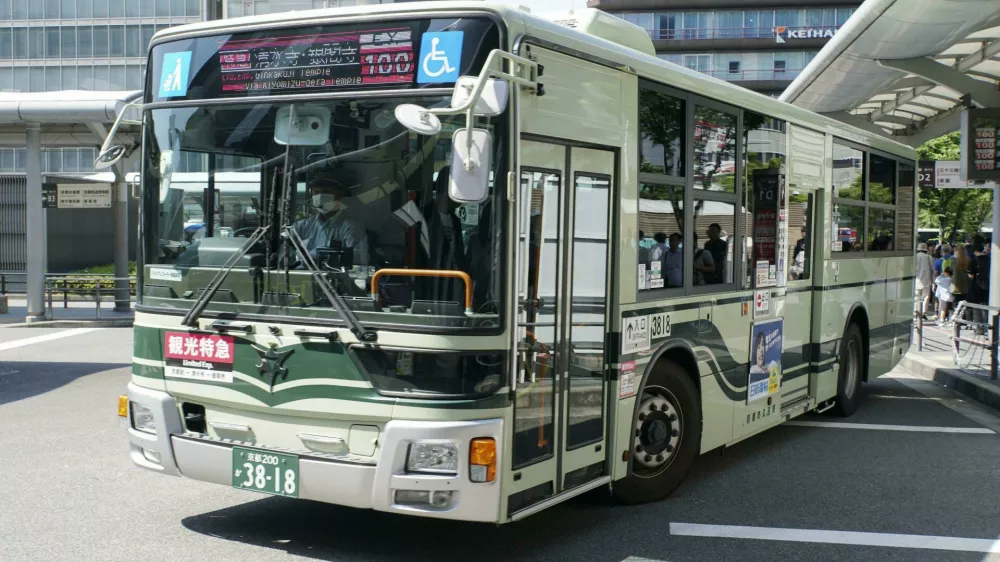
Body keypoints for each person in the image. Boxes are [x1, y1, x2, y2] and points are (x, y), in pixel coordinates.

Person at [292, 177, 369, 267]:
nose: (320, 196)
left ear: (339, 195)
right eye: (316, 192)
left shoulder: (351, 226)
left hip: (333, 275)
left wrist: (323, 259)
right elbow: (284, 245)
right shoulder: (303, 225)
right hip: (301, 274)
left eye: (326, 192)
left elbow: (359, 259)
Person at [914, 242, 934, 319]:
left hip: (916, 280)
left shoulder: (915, 257)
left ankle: (915, 311)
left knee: (916, 297)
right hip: (927, 280)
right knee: (926, 297)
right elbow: (932, 268)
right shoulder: (929, 257)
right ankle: (923, 312)